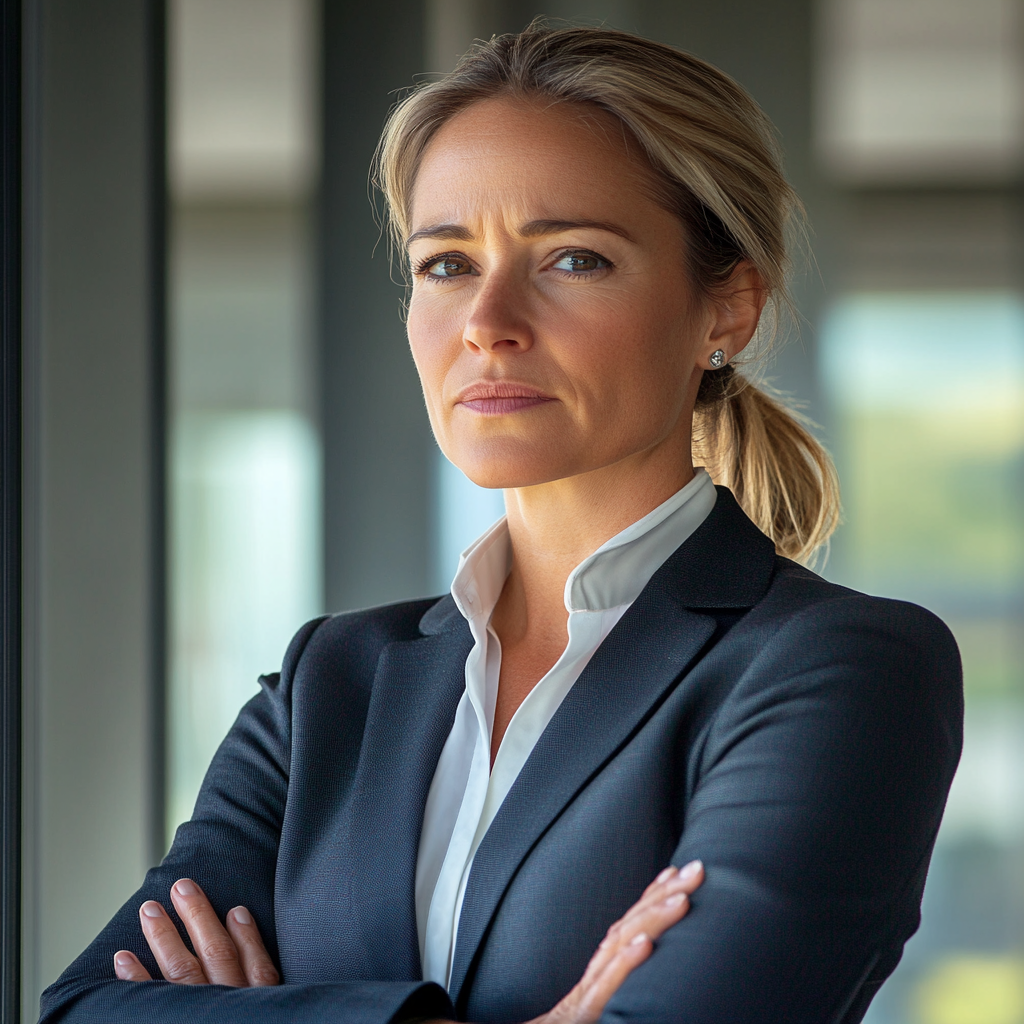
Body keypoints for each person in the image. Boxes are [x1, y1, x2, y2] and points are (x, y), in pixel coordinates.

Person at [39, 23, 962, 1024]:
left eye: (573, 258)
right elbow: (85, 1008)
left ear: (723, 310)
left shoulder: (841, 666)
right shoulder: (332, 685)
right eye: (444, 263)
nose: (487, 320)